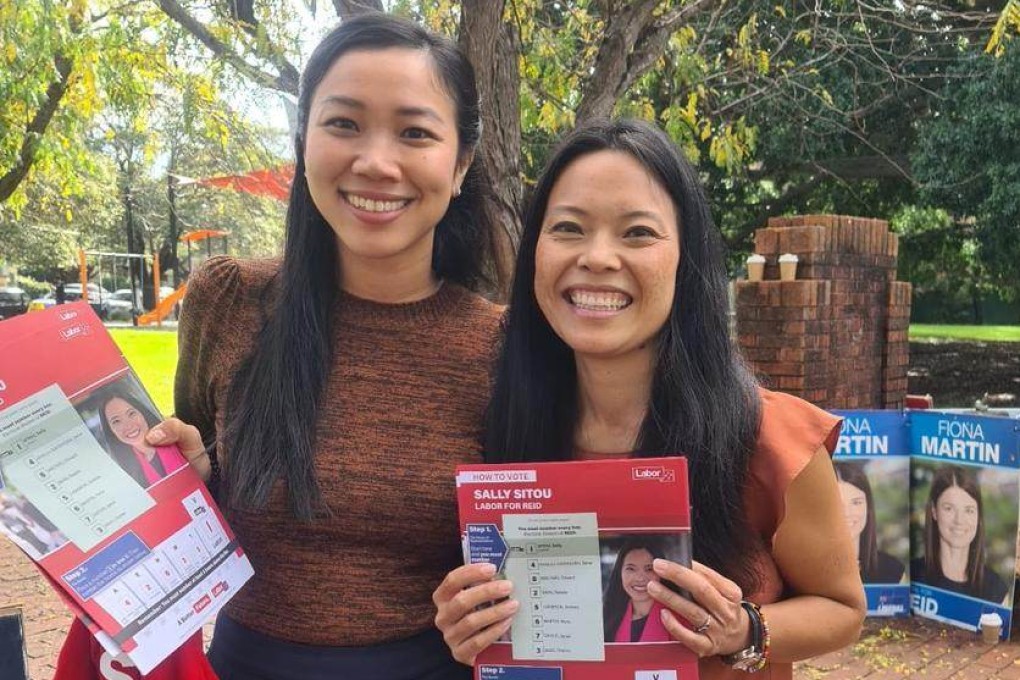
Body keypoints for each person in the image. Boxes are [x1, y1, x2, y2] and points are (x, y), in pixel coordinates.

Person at [433, 119, 865, 679]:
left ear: (687, 258)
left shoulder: (772, 440)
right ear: (535, 251)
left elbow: (843, 610)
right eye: (568, 227)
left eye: (637, 233)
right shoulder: (498, 427)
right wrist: (469, 624)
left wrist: (745, 630)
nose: (598, 257)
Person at [155, 13, 504, 680]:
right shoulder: (227, 300)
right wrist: (188, 479)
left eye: (415, 133)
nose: (375, 162)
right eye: (343, 123)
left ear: (459, 165)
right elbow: (199, 482)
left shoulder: (502, 346)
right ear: (303, 141)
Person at [911, 464, 1008, 603]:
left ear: (978, 516)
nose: (959, 520)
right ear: (934, 511)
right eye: (949, 508)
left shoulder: (996, 589)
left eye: (969, 510)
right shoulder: (913, 575)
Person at [834, 462, 905, 583]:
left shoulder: (893, 570)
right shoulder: (807, 571)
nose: (847, 512)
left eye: (856, 502)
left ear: (868, 507)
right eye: (838, 504)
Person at [98, 391, 186, 488]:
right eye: (116, 421)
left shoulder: (176, 435)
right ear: (110, 430)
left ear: (141, 412)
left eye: (131, 413)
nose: (128, 425)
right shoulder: (126, 477)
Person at [603, 537, 673, 643]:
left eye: (649, 569)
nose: (640, 578)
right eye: (631, 569)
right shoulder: (608, 620)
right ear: (620, 573)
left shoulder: (676, 617)